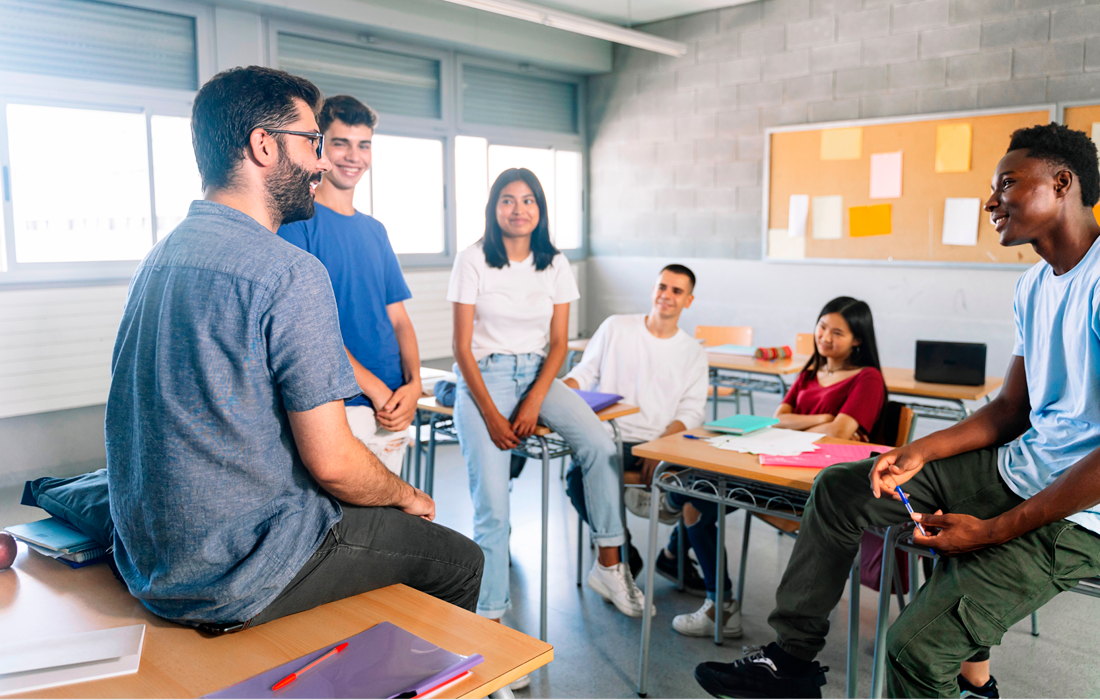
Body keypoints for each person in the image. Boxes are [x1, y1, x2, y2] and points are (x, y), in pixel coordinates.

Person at [693, 121, 1100, 699]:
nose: (990, 202)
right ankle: (791, 662)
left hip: (1083, 513)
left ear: (1063, 183)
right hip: (1022, 468)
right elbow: (1011, 408)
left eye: (1006, 184)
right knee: (840, 488)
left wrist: (993, 531)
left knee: (914, 647)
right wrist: (915, 452)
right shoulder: (1034, 285)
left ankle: (965, 683)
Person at [105, 66, 483, 630]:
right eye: (312, 142)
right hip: (238, 567)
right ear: (263, 145)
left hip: (154, 559)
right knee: (458, 559)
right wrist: (406, 496)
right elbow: (332, 462)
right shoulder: (288, 271)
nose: (324, 161)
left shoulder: (160, 257)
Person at [448, 168, 648, 627]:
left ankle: (609, 565)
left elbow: (559, 344)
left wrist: (535, 400)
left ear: (540, 208)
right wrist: (493, 416)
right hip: (485, 376)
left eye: (528, 200)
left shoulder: (555, 262)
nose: (519, 210)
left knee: (599, 445)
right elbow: (462, 347)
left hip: (539, 373)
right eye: (508, 200)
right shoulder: (473, 259)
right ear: (493, 207)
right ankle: (492, 624)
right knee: (493, 512)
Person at [668, 297, 886, 639]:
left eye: (838, 333)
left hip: (814, 486)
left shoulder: (868, 378)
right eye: (822, 327)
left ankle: (672, 516)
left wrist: (809, 426)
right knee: (698, 495)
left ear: (858, 339)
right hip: (776, 466)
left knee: (694, 493)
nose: (825, 337)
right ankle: (718, 602)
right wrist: (822, 418)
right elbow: (777, 419)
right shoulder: (811, 371)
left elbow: (841, 432)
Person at [278, 95, 420, 475]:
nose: (353, 156)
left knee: (393, 521)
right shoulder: (297, 227)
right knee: (352, 526)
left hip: (392, 401)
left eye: (364, 145)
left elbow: (400, 319)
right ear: (319, 146)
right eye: (341, 143)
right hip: (343, 403)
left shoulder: (375, 231)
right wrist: (375, 390)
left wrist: (414, 384)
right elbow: (311, 331)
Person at [562, 264, 711, 598]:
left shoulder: (693, 352)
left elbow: (691, 412)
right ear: (653, 289)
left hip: (659, 443)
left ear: (688, 300)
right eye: (662, 287)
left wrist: (660, 448)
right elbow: (585, 373)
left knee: (702, 485)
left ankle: (673, 557)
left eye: (676, 291)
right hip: (609, 438)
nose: (666, 296)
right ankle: (621, 553)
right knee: (576, 479)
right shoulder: (617, 327)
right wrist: (556, 392)